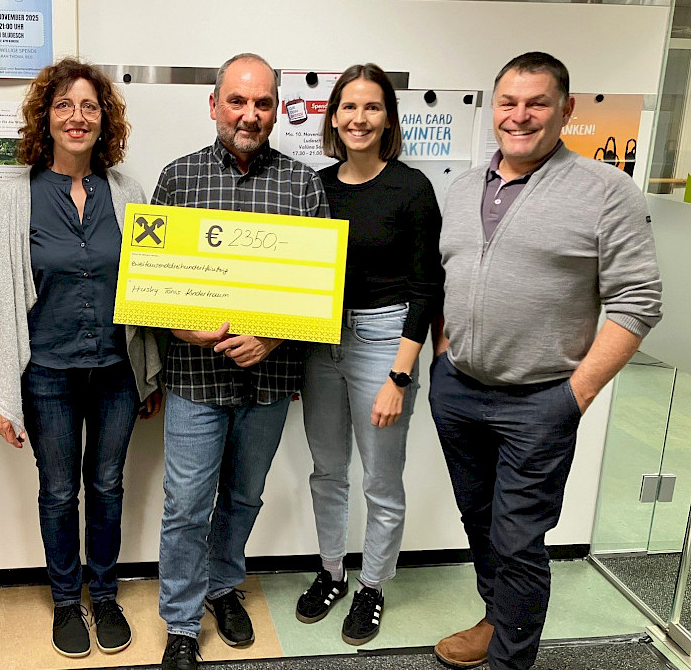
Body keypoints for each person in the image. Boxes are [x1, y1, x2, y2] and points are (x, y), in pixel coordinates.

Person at [429, 51, 662, 670]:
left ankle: (511, 660)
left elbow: (639, 300)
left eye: (537, 103)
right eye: (508, 102)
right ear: (494, 107)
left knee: (517, 539)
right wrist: (443, 357)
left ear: (566, 109)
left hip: (541, 401)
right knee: (480, 522)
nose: (520, 115)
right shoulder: (463, 188)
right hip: (459, 392)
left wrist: (574, 395)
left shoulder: (605, 190)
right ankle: (494, 620)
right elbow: (446, 278)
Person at [0, 58, 162, 660]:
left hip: (116, 372)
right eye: (63, 106)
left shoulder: (128, 193)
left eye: (89, 106)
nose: (76, 117)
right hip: (47, 374)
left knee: (106, 485)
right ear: (46, 117)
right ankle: (66, 601)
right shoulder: (16, 197)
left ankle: (104, 594)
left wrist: (151, 370)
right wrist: (5, 389)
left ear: (104, 118)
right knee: (59, 491)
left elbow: (150, 288)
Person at [153, 53, 329, 670]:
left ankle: (223, 587)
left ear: (276, 111)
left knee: (244, 497)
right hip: (195, 378)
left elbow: (320, 291)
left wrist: (271, 339)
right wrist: (181, 325)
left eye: (262, 103)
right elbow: (152, 284)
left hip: (270, 379)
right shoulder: (178, 180)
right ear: (214, 105)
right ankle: (181, 622)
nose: (249, 115)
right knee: (185, 505)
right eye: (237, 101)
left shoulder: (303, 186)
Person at [295, 64, 442, 644]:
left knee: (381, 479)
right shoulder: (316, 187)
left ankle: (373, 586)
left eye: (372, 107)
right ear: (333, 117)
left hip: (384, 342)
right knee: (327, 471)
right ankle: (332, 572)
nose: (359, 118)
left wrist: (399, 377)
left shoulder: (412, 189)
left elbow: (426, 288)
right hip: (320, 342)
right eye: (349, 107)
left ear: (388, 118)